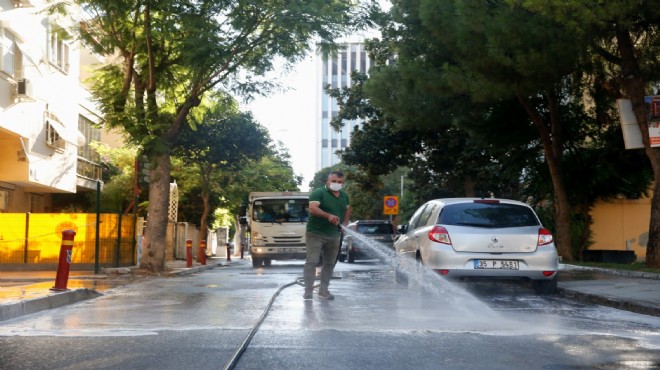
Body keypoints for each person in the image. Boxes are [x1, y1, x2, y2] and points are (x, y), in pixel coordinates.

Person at [303, 171, 351, 300]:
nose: (337, 184)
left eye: (340, 182)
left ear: (343, 183)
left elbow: (347, 209)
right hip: (315, 233)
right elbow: (313, 208)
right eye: (334, 181)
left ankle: (323, 290)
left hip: (333, 234)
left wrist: (344, 224)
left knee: (330, 263)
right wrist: (328, 216)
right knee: (312, 261)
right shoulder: (318, 193)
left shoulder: (344, 196)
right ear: (327, 181)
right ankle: (308, 289)